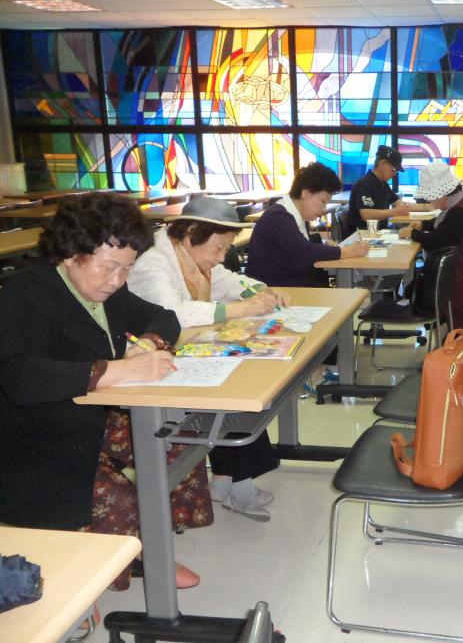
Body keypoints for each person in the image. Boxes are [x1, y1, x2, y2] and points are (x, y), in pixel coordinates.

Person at [0, 193, 208, 589]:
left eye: (127, 269)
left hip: (90, 419)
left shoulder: (107, 291)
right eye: (110, 267)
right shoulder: (27, 293)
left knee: (177, 441)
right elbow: (20, 377)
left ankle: (148, 547)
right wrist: (114, 370)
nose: (117, 280)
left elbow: (163, 317)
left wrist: (148, 342)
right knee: (121, 492)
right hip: (37, 440)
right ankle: (105, 564)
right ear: (71, 254)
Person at [128, 196, 289, 522]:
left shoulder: (192, 255)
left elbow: (228, 280)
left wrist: (261, 291)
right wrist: (238, 309)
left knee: (241, 379)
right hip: (150, 360)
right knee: (233, 391)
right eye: (218, 248)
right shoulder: (153, 261)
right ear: (190, 234)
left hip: (185, 347)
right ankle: (237, 483)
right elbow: (173, 313)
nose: (220, 257)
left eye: (225, 249)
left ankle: (227, 480)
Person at [398, 162, 463, 335]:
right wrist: (423, 224)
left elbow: (438, 241)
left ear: (443, 194)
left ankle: (448, 338)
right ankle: (443, 335)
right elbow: (447, 227)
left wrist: (413, 234)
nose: (430, 201)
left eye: (432, 197)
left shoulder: (461, 212)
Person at [246, 162, 370, 287]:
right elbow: (304, 253)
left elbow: (297, 248)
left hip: (288, 286)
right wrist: (347, 251)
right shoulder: (278, 217)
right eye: (323, 201)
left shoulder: (297, 215)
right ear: (305, 193)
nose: (323, 209)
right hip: (273, 290)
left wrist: (325, 247)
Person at [347, 145, 412, 232]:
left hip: (379, 231)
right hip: (362, 234)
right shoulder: (364, 184)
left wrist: (427, 207)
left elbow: (399, 203)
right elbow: (366, 214)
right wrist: (395, 211)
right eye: (394, 169)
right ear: (382, 163)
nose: (394, 174)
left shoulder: (383, 184)